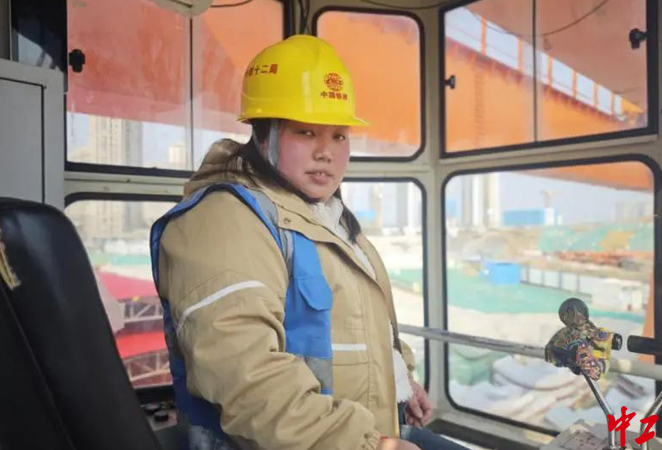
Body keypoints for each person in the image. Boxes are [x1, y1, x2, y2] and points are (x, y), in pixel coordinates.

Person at [151, 34, 465, 450]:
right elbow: (249, 384)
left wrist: (402, 381)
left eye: (339, 135)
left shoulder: (327, 217)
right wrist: (369, 447)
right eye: (305, 132)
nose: (326, 152)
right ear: (264, 135)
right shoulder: (223, 222)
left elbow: (358, 328)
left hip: (369, 433)